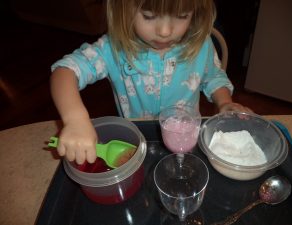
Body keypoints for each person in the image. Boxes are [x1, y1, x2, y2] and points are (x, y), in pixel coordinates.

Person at [50, 0, 251, 165]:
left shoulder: (201, 46)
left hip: (188, 140)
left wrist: (224, 102)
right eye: (148, 15)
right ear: (122, 8)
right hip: (137, 143)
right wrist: (75, 119)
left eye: (182, 16)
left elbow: (214, 76)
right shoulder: (113, 48)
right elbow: (65, 71)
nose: (164, 31)